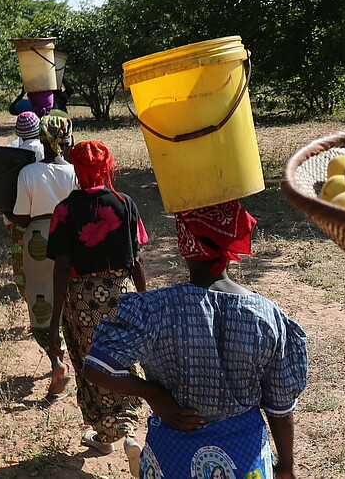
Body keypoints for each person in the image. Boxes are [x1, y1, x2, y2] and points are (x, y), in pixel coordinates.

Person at [84, 201, 308, 479]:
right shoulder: (267, 316)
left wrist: (155, 394)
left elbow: (96, 367)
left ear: (184, 245)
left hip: (172, 455)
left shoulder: (153, 309)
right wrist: (285, 464)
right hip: (244, 456)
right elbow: (280, 405)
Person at [43, 141, 149, 469]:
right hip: (123, 291)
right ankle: (130, 433)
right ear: (107, 167)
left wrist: (55, 317)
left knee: (95, 365)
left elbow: (61, 267)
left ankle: (106, 436)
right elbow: (136, 260)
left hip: (84, 299)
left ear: (76, 170)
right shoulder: (124, 203)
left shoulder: (64, 210)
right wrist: (144, 300)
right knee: (126, 358)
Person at [8, 114, 77, 397]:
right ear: (66, 141)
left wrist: (6, 213)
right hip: (71, 238)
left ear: (42, 140)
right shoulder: (74, 172)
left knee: (40, 298)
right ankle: (76, 354)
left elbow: (22, 219)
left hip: (39, 240)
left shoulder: (29, 173)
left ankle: (56, 361)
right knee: (69, 295)